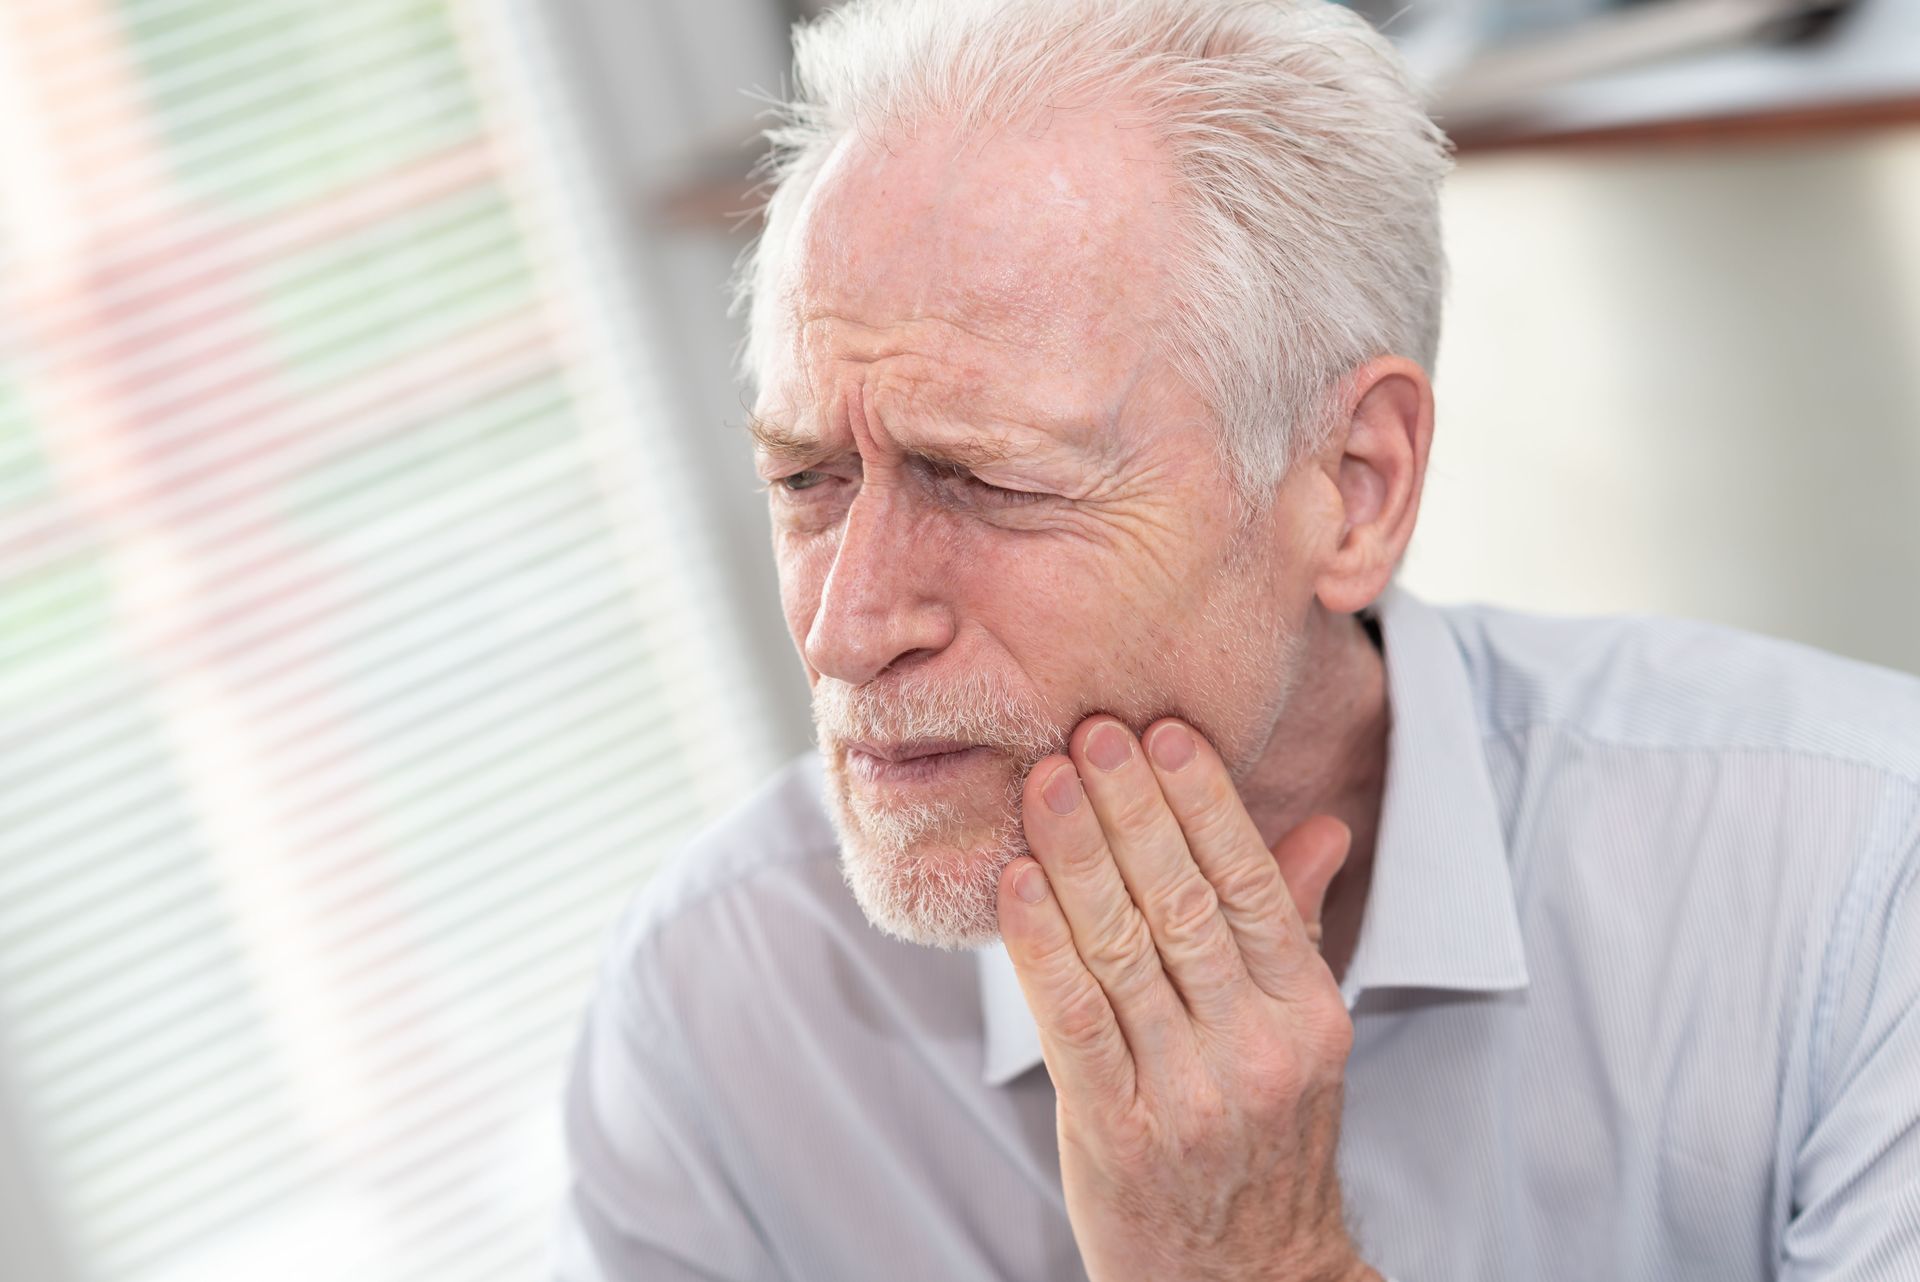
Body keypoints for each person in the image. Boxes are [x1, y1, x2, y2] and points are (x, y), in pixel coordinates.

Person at [550, 1, 1920, 1278]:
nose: (846, 629)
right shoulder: (707, 1020)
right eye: (808, 481)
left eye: (990, 482)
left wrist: (1260, 1259)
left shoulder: (1857, 891)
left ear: (1352, 488)